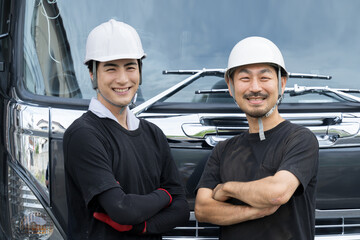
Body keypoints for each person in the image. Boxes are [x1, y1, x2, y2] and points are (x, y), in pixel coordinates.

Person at [63, 19, 189, 240]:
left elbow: (181, 211)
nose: (123, 79)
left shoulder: (153, 134)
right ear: (92, 73)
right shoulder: (84, 134)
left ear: (139, 70)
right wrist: (164, 195)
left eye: (130, 67)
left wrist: (140, 227)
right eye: (111, 69)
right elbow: (122, 209)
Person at [195, 36, 319, 240]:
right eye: (244, 78)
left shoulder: (300, 139)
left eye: (264, 78)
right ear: (231, 86)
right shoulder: (223, 149)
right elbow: (203, 209)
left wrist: (227, 188)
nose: (254, 88)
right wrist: (255, 211)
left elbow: (276, 193)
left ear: (282, 83)